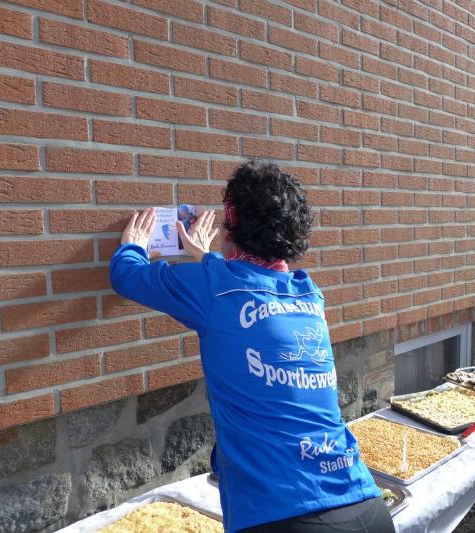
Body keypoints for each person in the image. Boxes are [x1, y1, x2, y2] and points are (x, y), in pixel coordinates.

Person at [110, 160, 393, 533]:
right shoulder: (308, 293)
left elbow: (126, 275)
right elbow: (253, 287)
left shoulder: (214, 287)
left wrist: (133, 246)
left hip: (286, 517)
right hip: (366, 505)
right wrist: (208, 259)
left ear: (232, 227)